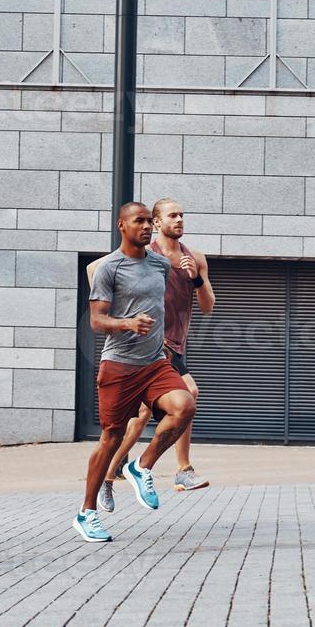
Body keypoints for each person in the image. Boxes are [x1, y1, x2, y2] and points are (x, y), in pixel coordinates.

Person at [78, 203, 197, 542]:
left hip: (155, 362)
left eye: (148, 221)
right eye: (139, 221)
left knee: (185, 406)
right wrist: (127, 323)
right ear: (122, 226)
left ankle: (141, 466)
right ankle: (87, 512)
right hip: (119, 365)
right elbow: (96, 320)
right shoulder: (109, 268)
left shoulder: (160, 265)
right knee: (111, 439)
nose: (146, 227)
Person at [98, 197, 214, 512]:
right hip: (151, 345)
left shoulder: (195, 258)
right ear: (157, 222)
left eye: (182, 215)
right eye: (171, 215)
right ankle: (182, 470)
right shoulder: (147, 255)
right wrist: (122, 319)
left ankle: (109, 478)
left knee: (137, 419)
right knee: (188, 392)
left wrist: (197, 280)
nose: (179, 220)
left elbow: (207, 306)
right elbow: (95, 268)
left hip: (176, 344)